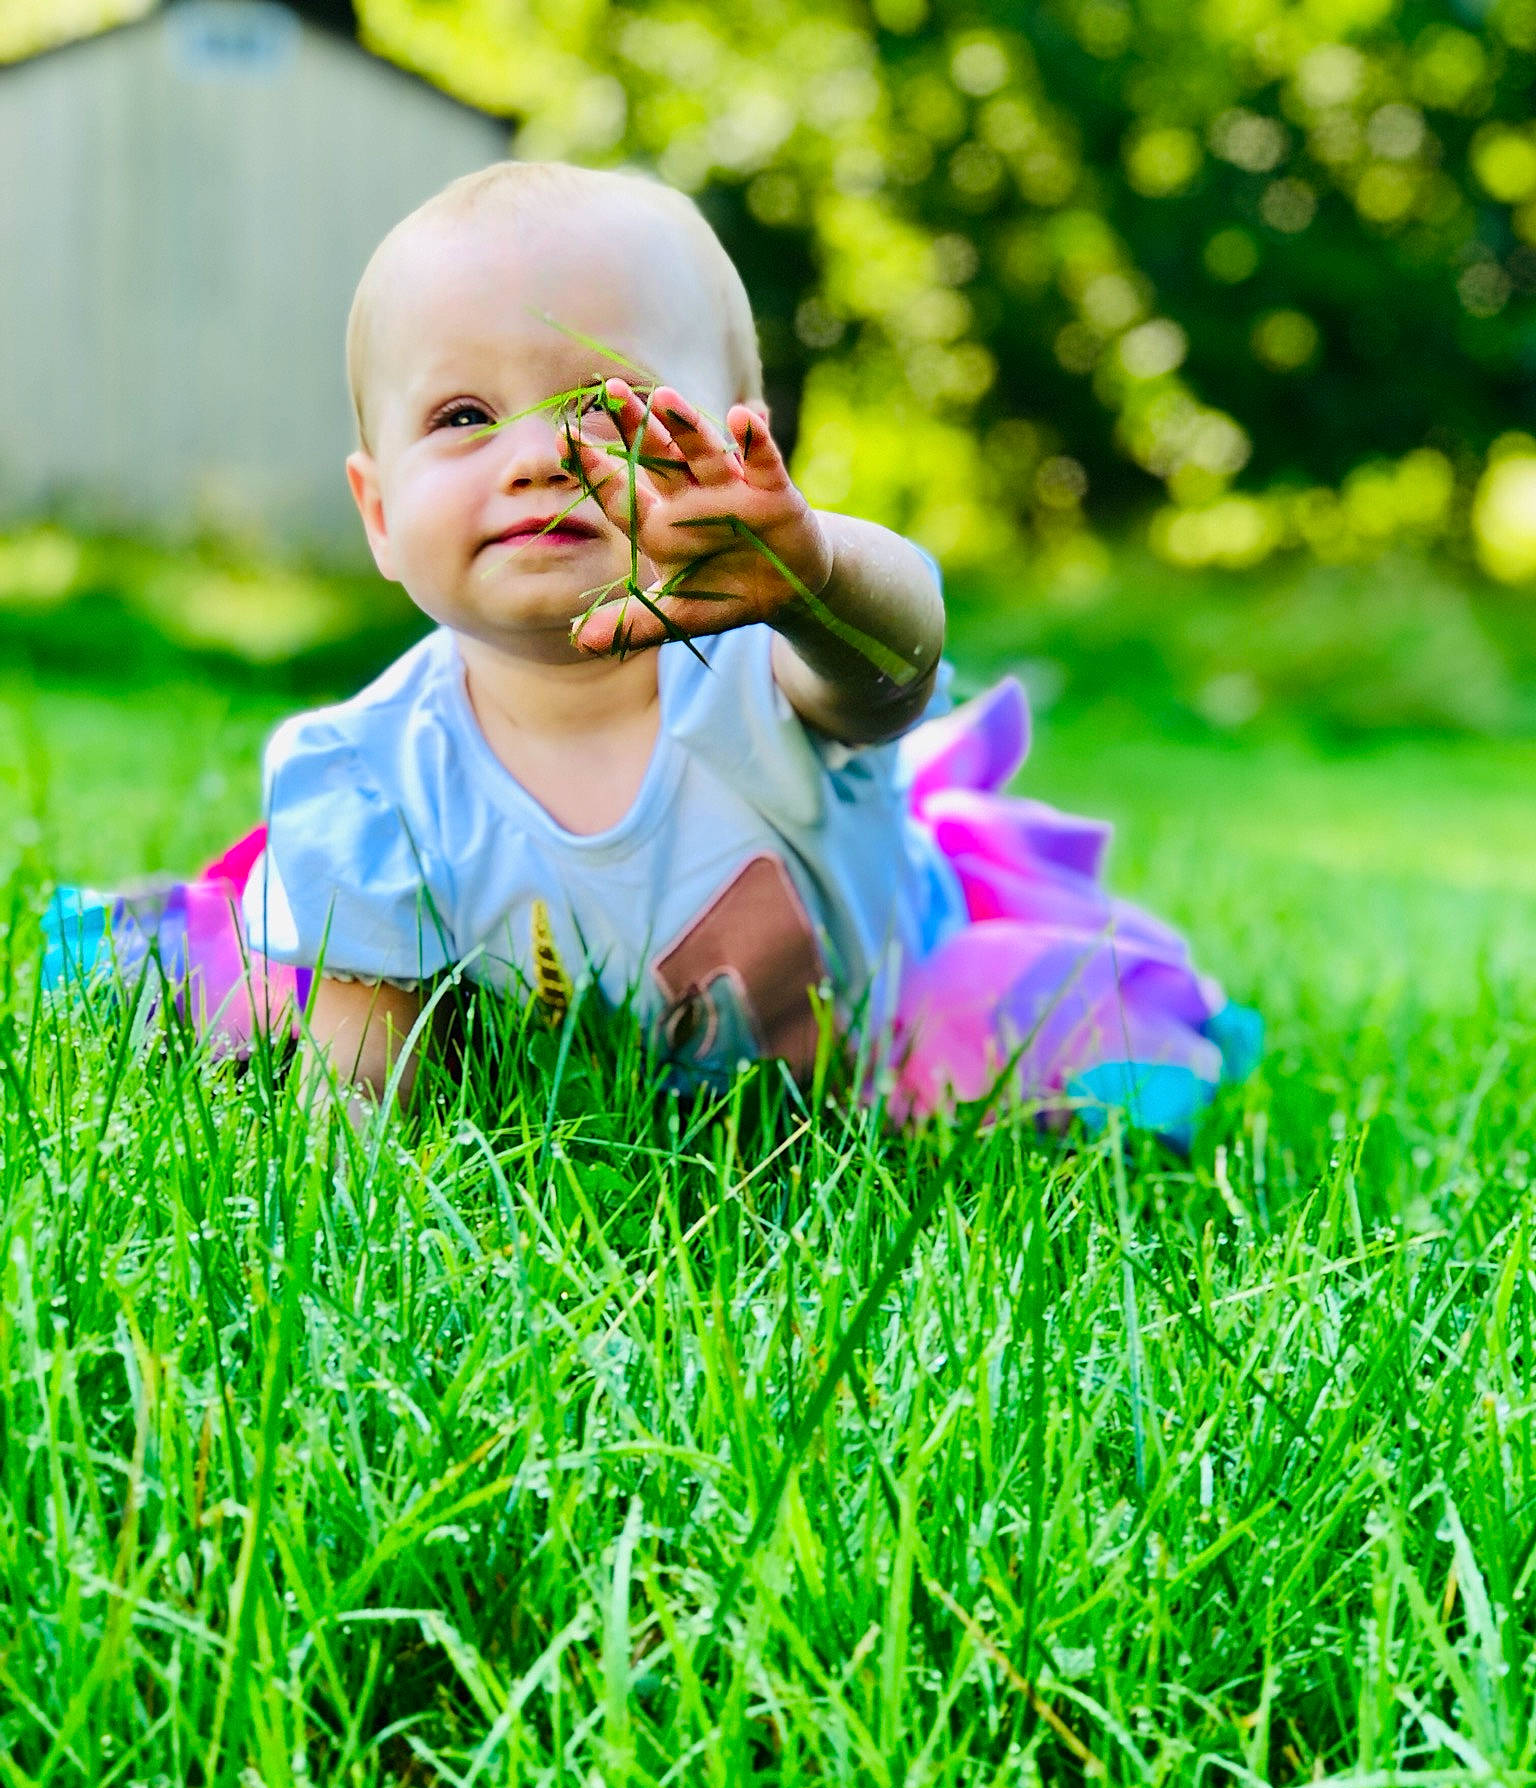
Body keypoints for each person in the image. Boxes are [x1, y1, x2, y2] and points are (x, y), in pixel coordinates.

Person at [42, 161, 1257, 1143]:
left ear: (735, 449)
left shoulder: (768, 672)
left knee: (1019, 1049)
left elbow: (897, 667)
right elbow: (361, 1084)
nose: (540, 455)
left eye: (608, 406)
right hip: (578, 1053)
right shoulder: (363, 778)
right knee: (274, 985)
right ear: (376, 510)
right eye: (463, 417)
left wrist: (815, 579)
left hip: (880, 1026)